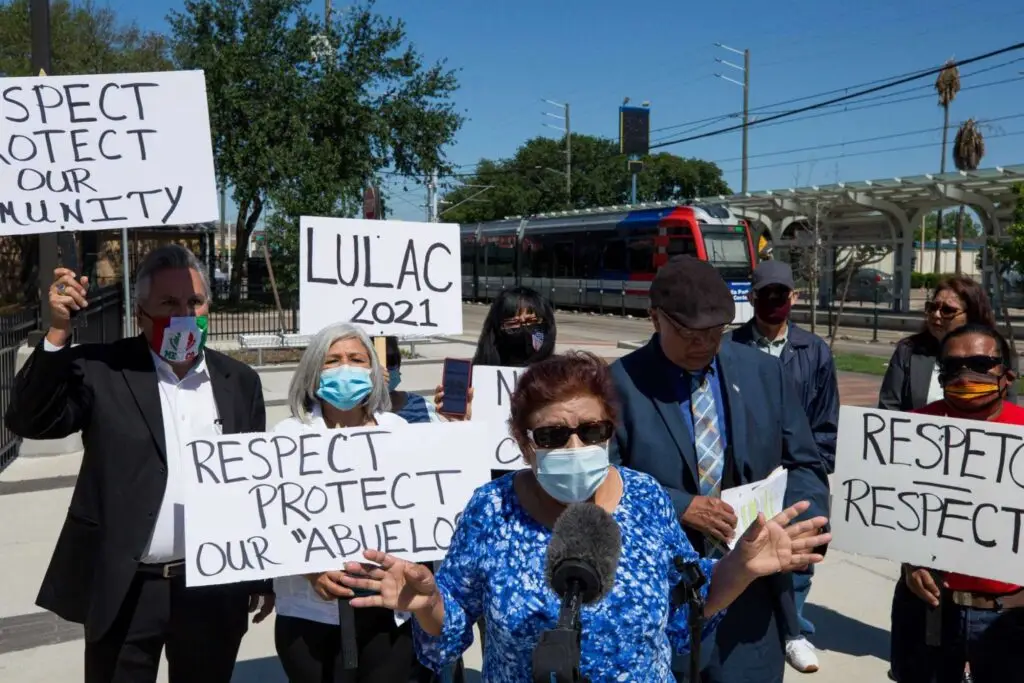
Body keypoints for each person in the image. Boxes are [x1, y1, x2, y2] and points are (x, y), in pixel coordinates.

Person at [332, 352, 831, 681]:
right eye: (552, 436)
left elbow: (684, 619)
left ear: (609, 432)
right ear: (525, 444)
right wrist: (428, 604)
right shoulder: (490, 509)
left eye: (591, 431)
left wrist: (739, 568)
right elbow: (446, 642)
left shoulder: (646, 497)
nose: (575, 446)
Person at [4, 245, 273, 683]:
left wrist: (260, 574)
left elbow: (253, 487)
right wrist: (57, 332)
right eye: (169, 303)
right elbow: (30, 420)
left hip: (211, 590)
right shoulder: (104, 369)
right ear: (141, 312)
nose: (184, 314)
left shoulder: (239, 382)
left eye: (194, 302)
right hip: (127, 588)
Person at [608, 255, 831, 683]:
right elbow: (604, 481)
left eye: (716, 332)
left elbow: (804, 462)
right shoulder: (619, 384)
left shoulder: (764, 372)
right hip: (663, 596)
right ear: (655, 318)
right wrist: (678, 506)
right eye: (690, 333)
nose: (705, 344)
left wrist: (801, 525)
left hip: (753, 598)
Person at [271, 322, 434, 683]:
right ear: (314, 375)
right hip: (309, 614)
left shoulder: (398, 431)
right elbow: (271, 521)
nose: (346, 367)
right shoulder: (287, 437)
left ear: (374, 372)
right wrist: (312, 571)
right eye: (333, 360)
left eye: (357, 359)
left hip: (386, 610)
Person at [879, 277, 1015, 683]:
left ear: (1005, 376)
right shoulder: (912, 429)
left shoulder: (1020, 435)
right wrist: (910, 560)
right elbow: (890, 507)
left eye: (979, 366)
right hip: (927, 607)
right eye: (953, 367)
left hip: (1007, 616)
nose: (965, 375)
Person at [726, 260, 839, 674]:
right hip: (745, 472)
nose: (774, 302)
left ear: (793, 297)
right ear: (752, 299)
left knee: (798, 557)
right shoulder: (730, 346)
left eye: (781, 294)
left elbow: (827, 422)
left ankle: (794, 631)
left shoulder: (815, 351)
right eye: (765, 295)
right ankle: (750, 624)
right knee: (747, 553)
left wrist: (814, 473)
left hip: (798, 468)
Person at [471, 286, 556, 367]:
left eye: (531, 321)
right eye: (513, 323)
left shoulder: (559, 373)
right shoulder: (479, 374)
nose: (524, 329)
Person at [383, 336, 442, 424]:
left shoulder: (422, 407)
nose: (383, 369)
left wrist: (458, 424)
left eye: (391, 361)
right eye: (373, 362)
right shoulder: (355, 417)